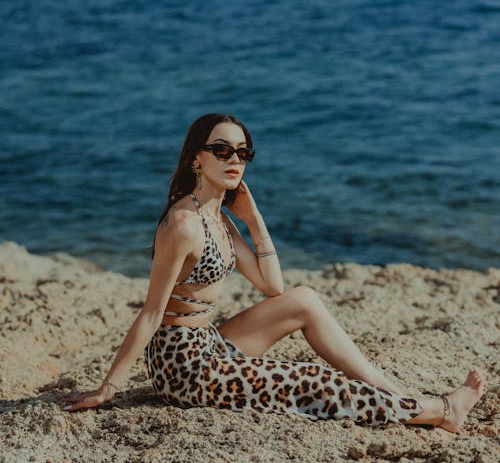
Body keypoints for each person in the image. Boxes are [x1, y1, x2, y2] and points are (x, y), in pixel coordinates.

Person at [60, 113, 485, 430]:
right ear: (196, 159)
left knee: (302, 299)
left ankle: (394, 392)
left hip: (210, 343)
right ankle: (440, 411)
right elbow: (152, 313)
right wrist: (108, 389)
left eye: (243, 153)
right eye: (222, 150)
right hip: (184, 365)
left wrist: (254, 218)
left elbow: (273, 286)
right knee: (311, 378)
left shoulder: (219, 218)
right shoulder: (183, 224)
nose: (234, 159)